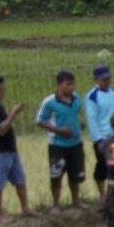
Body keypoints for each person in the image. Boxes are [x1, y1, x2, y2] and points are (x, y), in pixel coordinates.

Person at [0, 75, 32, 222]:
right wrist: (13, 114)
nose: (3, 91)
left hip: (10, 148)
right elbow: (0, 130)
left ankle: (25, 208)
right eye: (0, 88)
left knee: (20, 178)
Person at [35, 70, 85, 210]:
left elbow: (74, 115)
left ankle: (76, 200)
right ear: (59, 85)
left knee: (75, 175)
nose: (72, 87)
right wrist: (59, 130)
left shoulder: (75, 98)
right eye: (68, 84)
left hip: (75, 143)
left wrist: (79, 125)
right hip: (57, 145)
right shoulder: (49, 102)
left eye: (73, 84)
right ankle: (56, 204)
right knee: (56, 175)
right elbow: (39, 121)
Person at [85, 64, 114, 200]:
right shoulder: (92, 97)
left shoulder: (113, 93)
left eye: (108, 79)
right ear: (96, 79)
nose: (107, 82)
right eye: (103, 80)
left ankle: (112, 193)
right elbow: (92, 119)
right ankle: (103, 195)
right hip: (104, 138)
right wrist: (98, 140)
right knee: (103, 167)